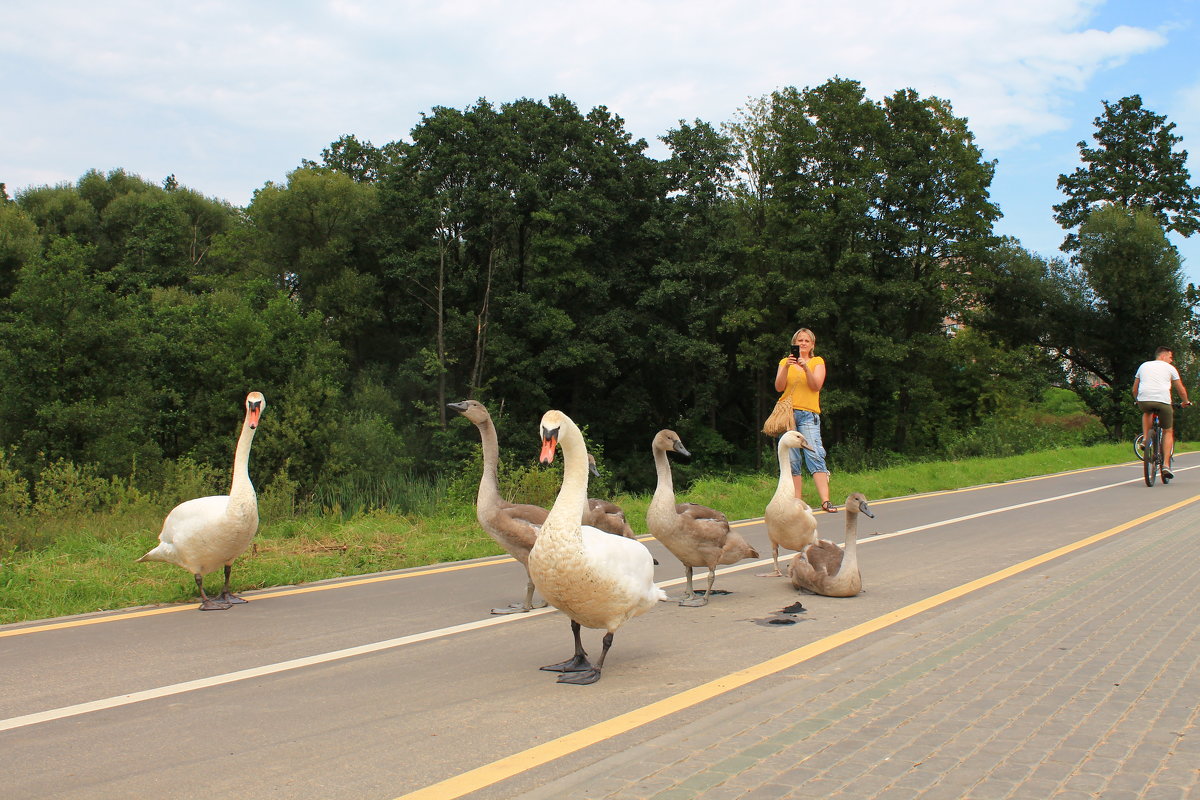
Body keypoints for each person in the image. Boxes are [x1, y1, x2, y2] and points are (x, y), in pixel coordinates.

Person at [774, 327, 836, 512]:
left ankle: (825, 500)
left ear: (812, 345)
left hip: (808, 414)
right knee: (792, 459)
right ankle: (797, 502)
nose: (802, 343)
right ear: (794, 343)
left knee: (814, 454)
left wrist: (805, 367)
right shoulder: (785, 361)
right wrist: (787, 366)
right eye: (799, 340)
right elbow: (779, 387)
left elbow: (816, 385)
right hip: (787, 414)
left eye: (806, 341)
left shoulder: (817, 361)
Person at [1133, 346, 1191, 479]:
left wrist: (1137, 400)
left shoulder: (1143, 366)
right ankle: (1165, 465)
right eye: (1170, 357)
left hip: (1144, 400)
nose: (1171, 360)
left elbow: (1135, 389)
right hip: (1163, 401)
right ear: (1163, 356)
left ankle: (1146, 439)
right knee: (1168, 431)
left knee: (1147, 411)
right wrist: (1185, 401)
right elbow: (1180, 389)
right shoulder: (1170, 369)